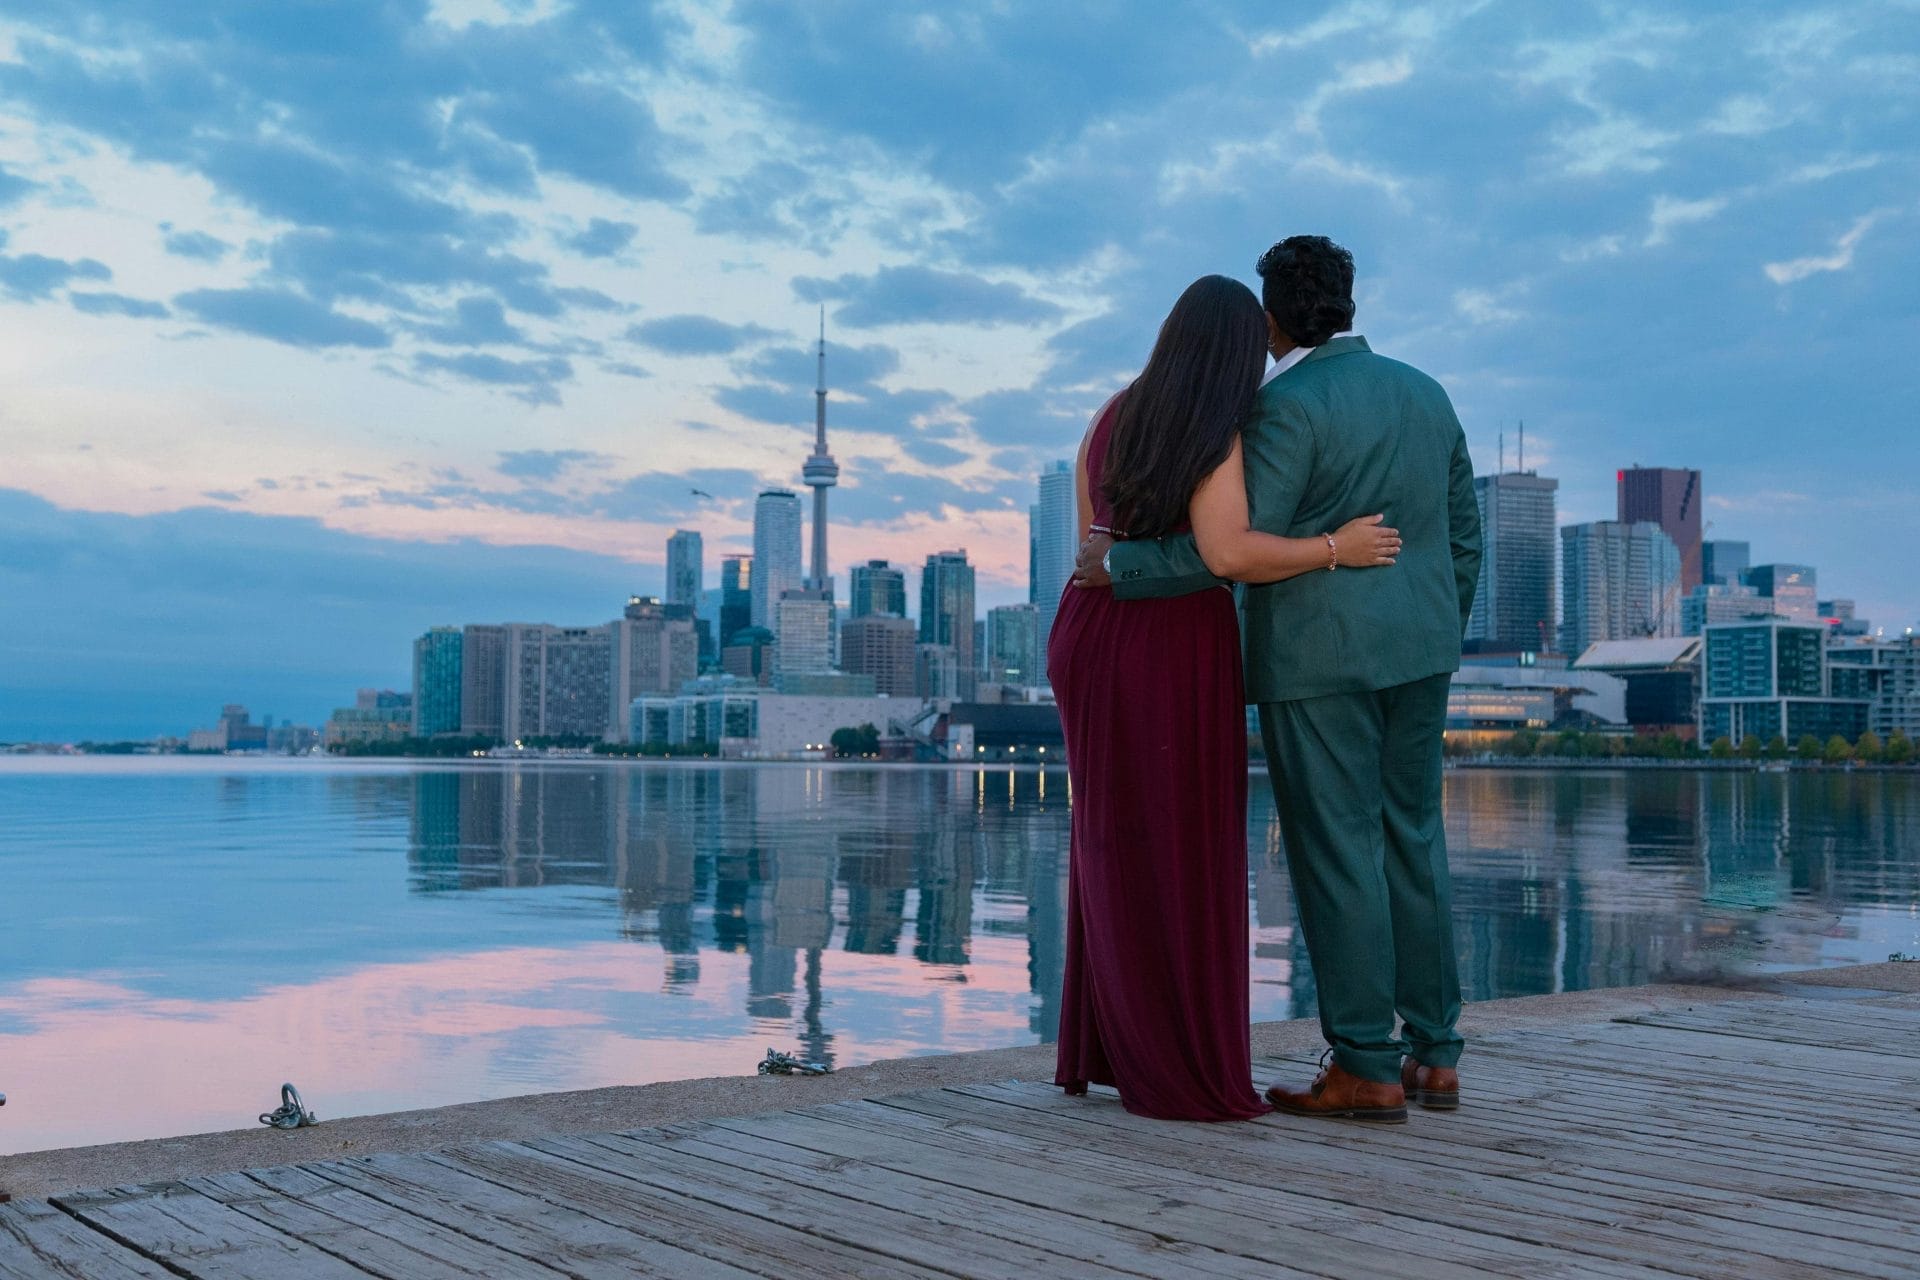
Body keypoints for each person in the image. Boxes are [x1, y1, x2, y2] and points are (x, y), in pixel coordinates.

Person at [1077, 237, 1481, 1123]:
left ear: (1269, 318)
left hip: (1315, 661)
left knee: (1338, 853)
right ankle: (1437, 1055)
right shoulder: (1427, 393)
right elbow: (1463, 537)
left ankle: (1367, 1064)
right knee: (1414, 839)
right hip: (1423, 651)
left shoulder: (1280, 408)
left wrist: (1122, 567)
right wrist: (1435, 625)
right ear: (1349, 300)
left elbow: (1230, 548)